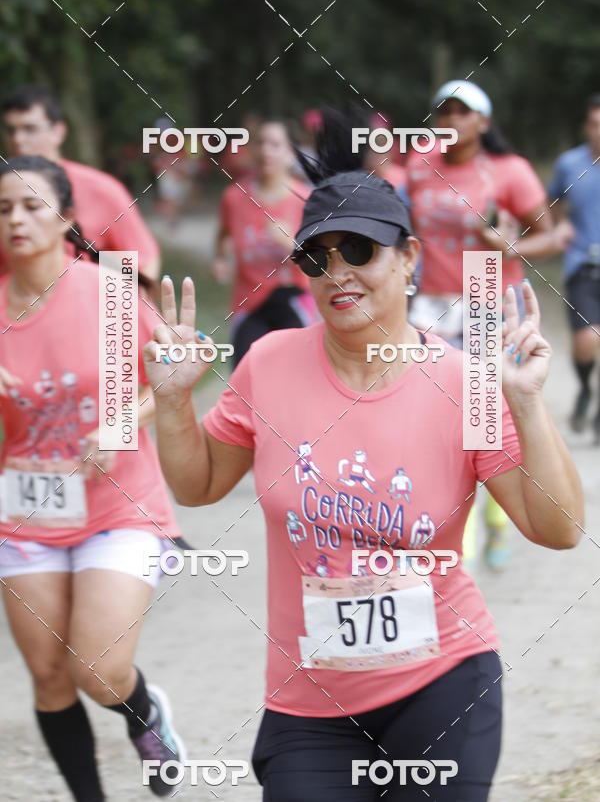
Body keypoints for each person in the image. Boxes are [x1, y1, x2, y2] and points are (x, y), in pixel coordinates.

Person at [145, 117, 583, 802]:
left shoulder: (463, 381)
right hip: (309, 706)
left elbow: (557, 528)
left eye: (359, 250)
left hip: (443, 679)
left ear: (408, 257)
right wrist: (172, 403)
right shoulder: (268, 364)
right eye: (316, 258)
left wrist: (527, 404)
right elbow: (198, 485)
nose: (338, 273)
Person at [0, 155, 184, 800]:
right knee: (50, 676)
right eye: (4, 209)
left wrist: (123, 421)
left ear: (67, 219)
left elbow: (172, 379)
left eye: (31, 205)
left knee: (97, 670)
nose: (17, 219)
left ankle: (145, 713)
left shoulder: (107, 294)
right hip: (28, 512)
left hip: (118, 504)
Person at [404, 79, 571, 569]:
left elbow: (552, 236)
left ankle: (490, 521)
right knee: (428, 411)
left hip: (482, 290)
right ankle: (442, 517)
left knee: (478, 416)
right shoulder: (419, 164)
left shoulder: (509, 171)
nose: (451, 120)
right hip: (427, 298)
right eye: (444, 111)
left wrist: (507, 246)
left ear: (483, 121)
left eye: (462, 111)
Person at [1, 85, 160, 281]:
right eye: (11, 130)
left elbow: (142, 263)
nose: (18, 139)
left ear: (58, 132)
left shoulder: (100, 189)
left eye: (29, 129)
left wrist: (110, 310)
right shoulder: (3, 191)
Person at [211, 118, 318, 366]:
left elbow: (321, 265)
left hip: (293, 301)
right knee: (244, 379)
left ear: (290, 152)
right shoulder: (233, 197)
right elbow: (223, 234)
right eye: (260, 143)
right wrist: (219, 259)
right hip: (249, 304)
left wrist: (293, 244)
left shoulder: (306, 199)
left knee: (295, 381)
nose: (266, 151)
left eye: (274, 144)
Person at [548, 93, 600, 441]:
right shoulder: (569, 164)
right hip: (581, 262)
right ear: (586, 127)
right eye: (595, 125)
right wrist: (560, 228)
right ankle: (584, 387)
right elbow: (553, 201)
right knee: (586, 339)